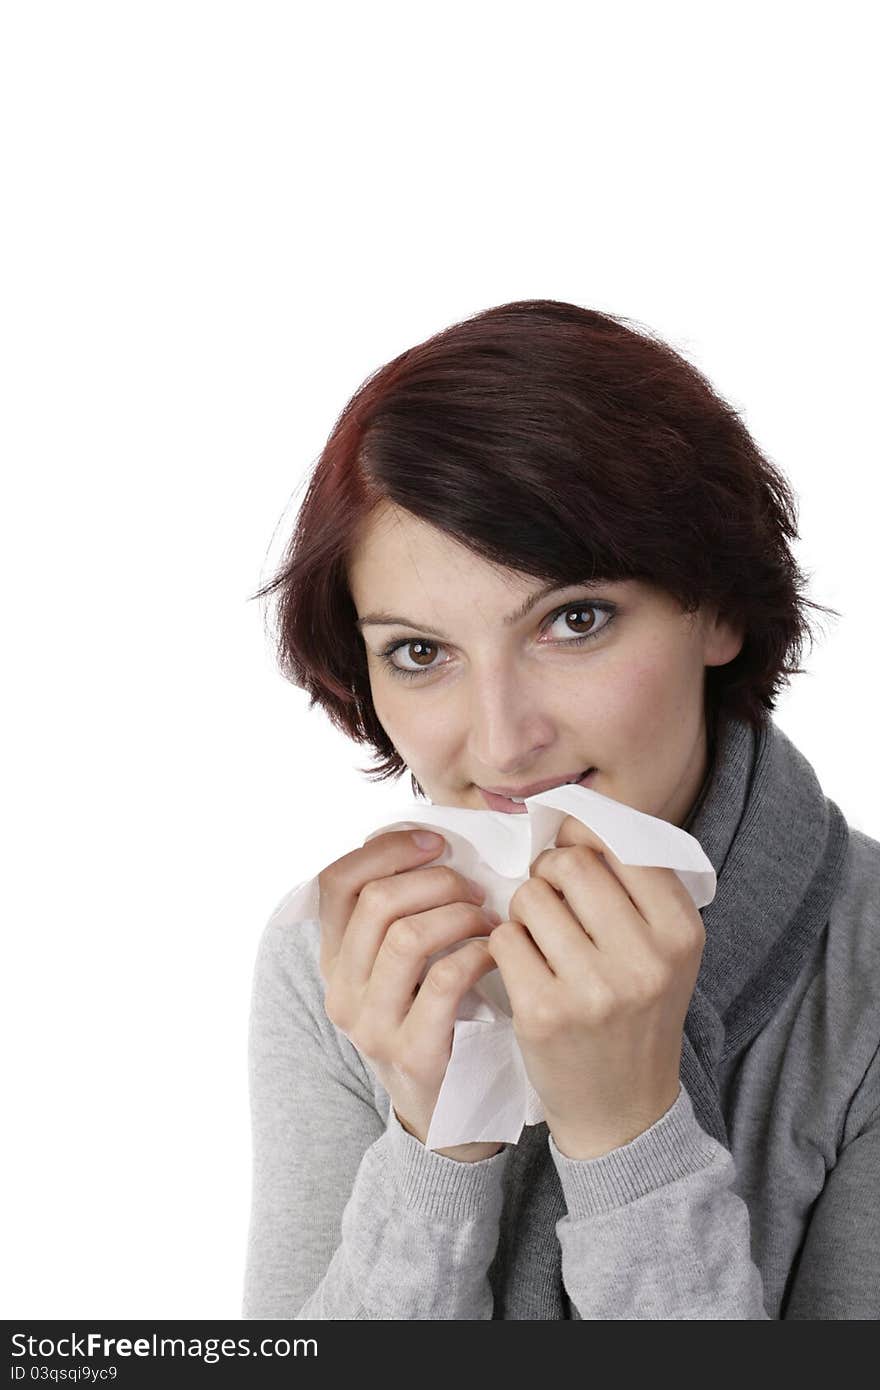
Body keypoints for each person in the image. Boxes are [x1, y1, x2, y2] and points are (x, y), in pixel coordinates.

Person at [241, 299, 879, 1319]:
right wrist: (433, 1142)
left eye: (572, 621)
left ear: (713, 604)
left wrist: (632, 1138)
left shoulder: (864, 975)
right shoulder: (335, 954)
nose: (499, 743)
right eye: (420, 651)